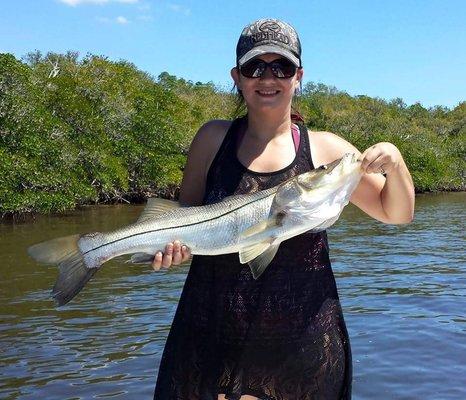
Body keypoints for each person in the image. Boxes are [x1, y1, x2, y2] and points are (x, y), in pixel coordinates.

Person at [152, 19, 415, 400]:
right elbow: (184, 217)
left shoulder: (327, 151)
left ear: (299, 77)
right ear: (237, 77)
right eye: (255, 67)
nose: (268, 77)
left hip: (301, 341)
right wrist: (166, 251)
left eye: (282, 67)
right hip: (211, 331)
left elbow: (397, 213)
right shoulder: (211, 139)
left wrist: (396, 161)